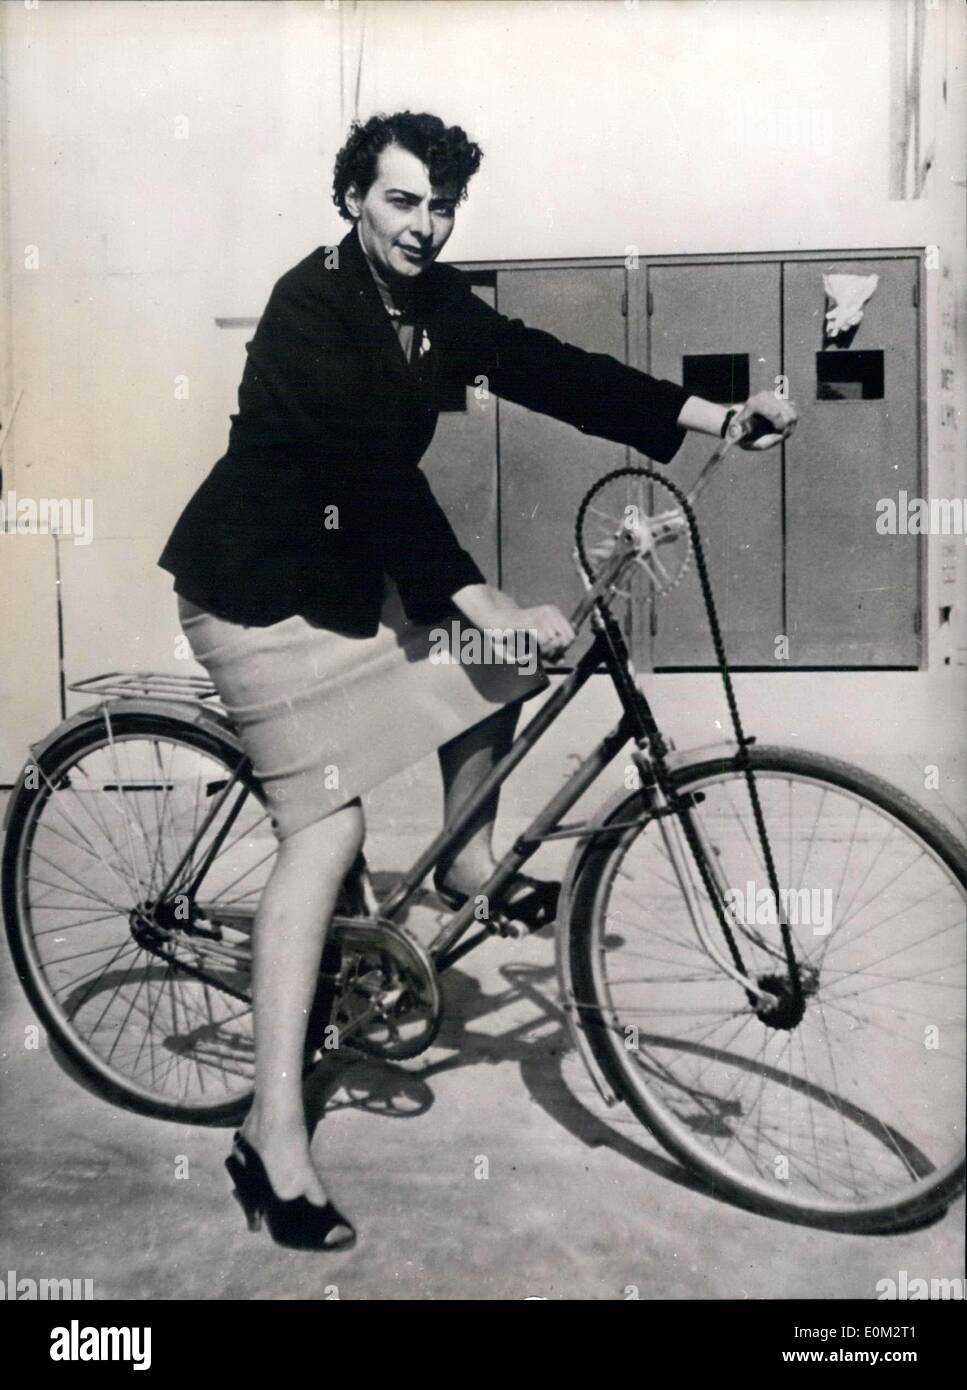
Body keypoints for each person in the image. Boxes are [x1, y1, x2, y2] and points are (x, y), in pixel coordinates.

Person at [158, 110, 797, 1251]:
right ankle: (273, 1135)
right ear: (354, 196)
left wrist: (710, 414)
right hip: (251, 584)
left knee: (502, 672)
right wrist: (477, 597)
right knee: (330, 826)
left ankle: (461, 860)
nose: (424, 224)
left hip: (348, 570)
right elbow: (372, 472)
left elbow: (547, 369)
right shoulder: (311, 305)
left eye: (441, 206)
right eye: (402, 200)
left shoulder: (431, 301)